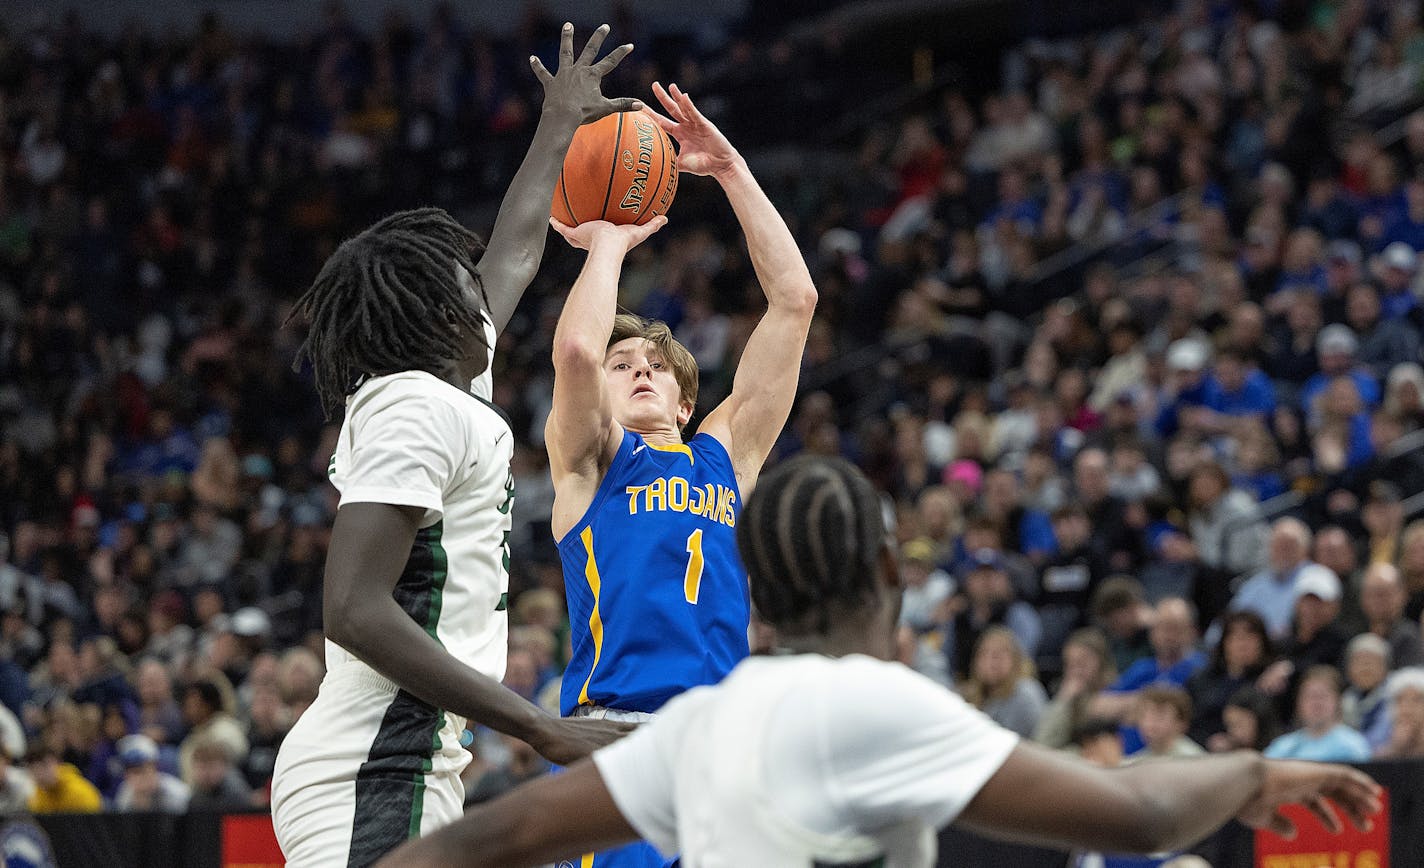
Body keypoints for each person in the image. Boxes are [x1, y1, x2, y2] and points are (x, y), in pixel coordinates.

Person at [380, 456, 1382, 868]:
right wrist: (1250, 771)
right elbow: (1139, 814)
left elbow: (481, 843)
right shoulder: (877, 703)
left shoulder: (697, 722)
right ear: (879, 569)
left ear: (757, 601)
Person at [270, 24, 639, 867]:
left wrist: (559, 124)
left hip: (409, 764)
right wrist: (541, 726)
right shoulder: (412, 407)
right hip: (372, 769)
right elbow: (354, 608)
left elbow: (514, 249)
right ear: (434, 320)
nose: (482, 287)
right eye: (460, 282)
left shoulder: (442, 390)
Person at [543, 82, 817, 867]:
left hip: (725, 744)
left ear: (687, 399)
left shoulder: (723, 455)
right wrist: (608, 242)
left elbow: (795, 301)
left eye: (654, 366)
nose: (635, 371)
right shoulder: (592, 463)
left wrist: (731, 170)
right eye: (622, 363)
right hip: (619, 742)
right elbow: (574, 353)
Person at [1264, 666, 1371, 762]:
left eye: (1323, 695)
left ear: (1338, 701)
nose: (1317, 702)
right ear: (1298, 703)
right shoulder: (1282, 747)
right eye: (1310, 696)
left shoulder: (1353, 746)